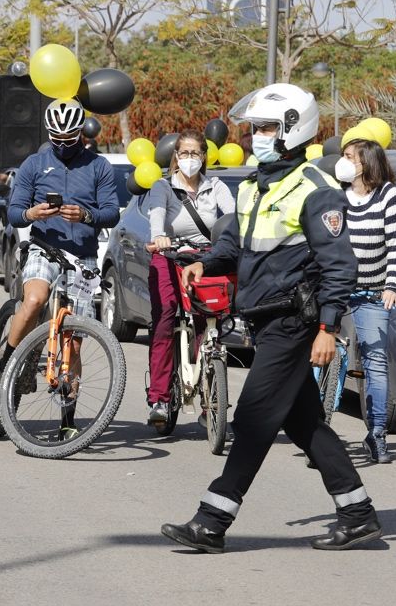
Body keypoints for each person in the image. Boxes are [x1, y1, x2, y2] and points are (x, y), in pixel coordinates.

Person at [162, 83, 380, 554]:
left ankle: (212, 520)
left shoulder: (316, 190)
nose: (255, 136)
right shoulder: (256, 185)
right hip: (262, 319)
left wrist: (327, 327)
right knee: (302, 423)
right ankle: (358, 513)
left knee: (254, 417)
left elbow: (340, 266)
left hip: (294, 322)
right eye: (255, 127)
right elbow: (235, 242)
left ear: (290, 130)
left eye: (264, 128)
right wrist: (208, 262)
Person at [0, 98, 120, 438]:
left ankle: (68, 420)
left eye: (69, 138)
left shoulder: (99, 166)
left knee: (73, 340)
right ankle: (5, 367)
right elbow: (15, 212)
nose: (62, 145)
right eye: (56, 139)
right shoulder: (34, 163)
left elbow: (111, 212)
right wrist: (33, 214)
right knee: (33, 301)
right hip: (44, 248)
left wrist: (86, 215)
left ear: (81, 134)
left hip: (83, 256)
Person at [143, 130, 235, 425]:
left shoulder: (216, 186)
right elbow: (157, 215)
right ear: (176, 157)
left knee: (209, 321)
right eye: (184, 153)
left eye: (196, 153)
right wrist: (159, 237)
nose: (190, 159)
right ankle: (159, 397)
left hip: (205, 259)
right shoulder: (163, 187)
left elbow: (232, 217)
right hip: (168, 257)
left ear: (204, 156)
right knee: (166, 317)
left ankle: (212, 399)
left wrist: (234, 239)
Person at [334, 137, 396, 464]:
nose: (344, 162)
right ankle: (317, 428)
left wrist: (393, 285)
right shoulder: (337, 197)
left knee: (375, 361)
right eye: (343, 156)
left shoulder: (388, 195)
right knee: (320, 356)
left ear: (367, 162)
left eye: (350, 157)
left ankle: (377, 433)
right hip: (335, 287)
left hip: (372, 291)